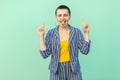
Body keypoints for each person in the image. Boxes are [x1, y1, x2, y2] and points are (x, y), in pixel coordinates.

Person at [37, 5, 91, 80]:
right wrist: (41, 36)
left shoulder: (76, 32)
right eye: (59, 15)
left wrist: (86, 33)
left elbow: (85, 50)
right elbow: (44, 54)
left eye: (65, 15)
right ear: (56, 17)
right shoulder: (51, 33)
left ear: (69, 16)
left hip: (73, 69)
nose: (62, 18)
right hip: (56, 70)